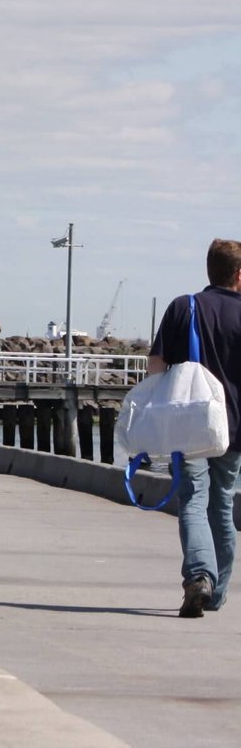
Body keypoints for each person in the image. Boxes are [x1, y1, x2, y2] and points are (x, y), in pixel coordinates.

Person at [148, 239, 241, 618]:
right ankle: (215, 592)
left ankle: (198, 577)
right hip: (232, 428)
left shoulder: (183, 307)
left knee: (193, 500)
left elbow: (156, 366)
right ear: (239, 274)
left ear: (209, 269)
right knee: (222, 506)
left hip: (189, 427)